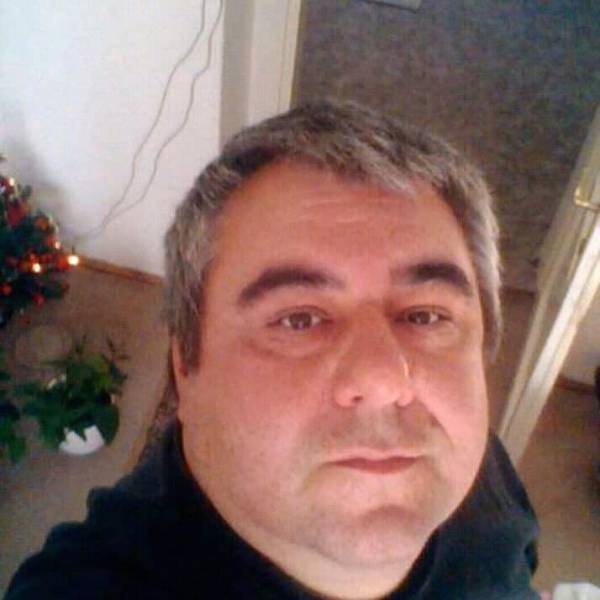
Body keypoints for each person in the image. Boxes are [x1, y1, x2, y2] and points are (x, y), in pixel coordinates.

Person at [5, 102, 541, 599]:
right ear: (185, 367)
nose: (384, 380)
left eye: (425, 316)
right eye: (298, 319)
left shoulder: (485, 478)